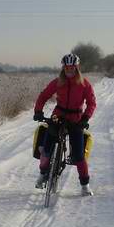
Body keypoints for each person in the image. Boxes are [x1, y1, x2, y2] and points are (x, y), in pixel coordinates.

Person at [33, 53, 97, 196]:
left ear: (77, 68)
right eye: (67, 68)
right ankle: (43, 174)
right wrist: (38, 110)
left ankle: (85, 185)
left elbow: (91, 103)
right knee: (47, 147)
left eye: (72, 68)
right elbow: (44, 96)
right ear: (63, 68)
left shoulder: (84, 84)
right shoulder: (57, 82)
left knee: (79, 154)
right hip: (58, 116)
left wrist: (85, 118)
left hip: (76, 118)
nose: (69, 70)